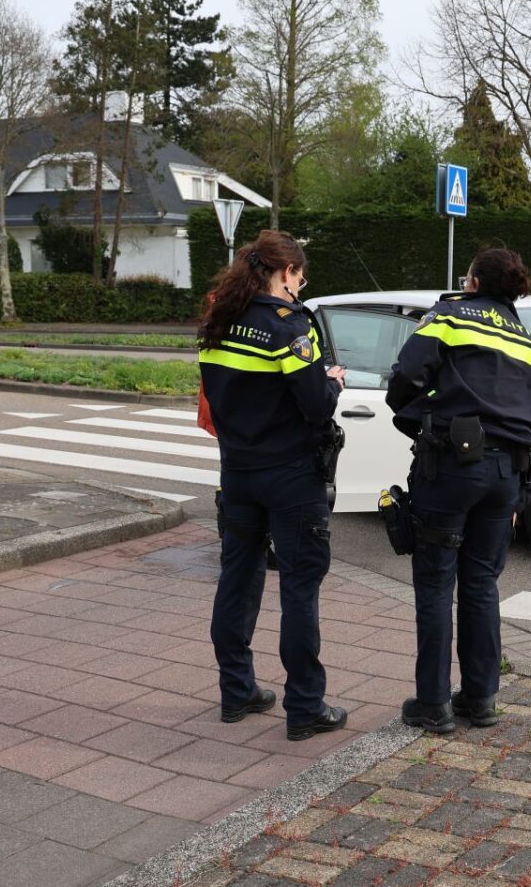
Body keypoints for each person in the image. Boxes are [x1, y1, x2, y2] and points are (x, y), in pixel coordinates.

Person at [386, 248, 531, 734]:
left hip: (449, 467)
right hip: (508, 476)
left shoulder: (449, 316)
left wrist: (412, 412)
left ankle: (433, 704)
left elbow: (405, 374)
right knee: (482, 584)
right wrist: (525, 494)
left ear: (475, 284)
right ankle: (481, 698)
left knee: (437, 582)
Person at [197, 229, 351, 741]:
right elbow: (315, 404)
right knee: (300, 589)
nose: (299, 291)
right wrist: (332, 380)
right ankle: (305, 707)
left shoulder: (219, 320)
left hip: (237, 473)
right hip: (291, 477)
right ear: (285, 273)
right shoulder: (289, 327)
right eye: (299, 281)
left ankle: (236, 692)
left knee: (237, 581)